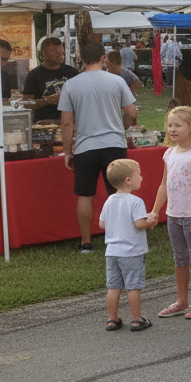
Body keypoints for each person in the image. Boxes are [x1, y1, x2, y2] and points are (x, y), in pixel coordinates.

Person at [59, 44, 138, 254]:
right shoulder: (117, 80)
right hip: (114, 143)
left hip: (86, 146)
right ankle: (121, 237)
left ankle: (86, 242)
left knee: (85, 195)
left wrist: (67, 152)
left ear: (81, 58)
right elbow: (131, 111)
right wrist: (123, 128)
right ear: (103, 58)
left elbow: (66, 123)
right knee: (120, 192)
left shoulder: (71, 85)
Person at [151, 106, 191, 320]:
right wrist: (155, 211)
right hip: (174, 214)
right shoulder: (169, 153)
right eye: (170, 125)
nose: (172, 129)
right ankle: (182, 300)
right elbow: (163, 186)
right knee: (180, 258)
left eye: (178, 125)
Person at [99, 158, 158, 332]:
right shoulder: (135, 201)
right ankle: (136, 319)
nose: (142, 178)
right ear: (128, 180)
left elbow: (102, 224)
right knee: (133, 287)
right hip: (132, 252)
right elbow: (139, 224)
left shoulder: (109, 200)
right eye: (138, 175)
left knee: (113, 286)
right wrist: (150, 220)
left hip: (112, 252)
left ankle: (112, 319)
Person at [22, 37, 79, 124]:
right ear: (45, 53)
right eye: (56, 52)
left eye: (62, 52)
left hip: (68, 122)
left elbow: (81, 97)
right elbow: (26, 102)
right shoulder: (34, 75)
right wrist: (47, 100)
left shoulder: (72, 72)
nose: (60, 55)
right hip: (44, 123)